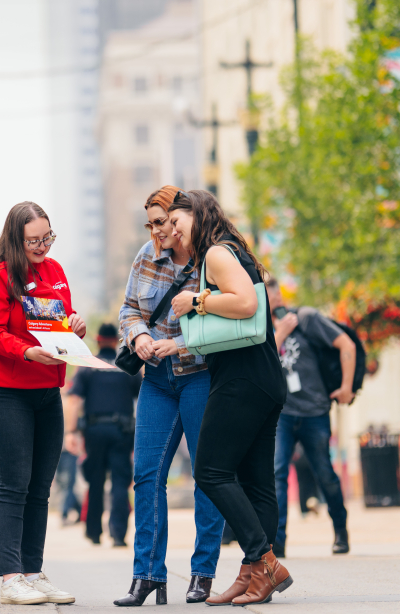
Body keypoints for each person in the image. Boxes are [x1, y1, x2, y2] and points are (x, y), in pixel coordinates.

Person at [168, 190, 292, 606]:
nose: (172, 230)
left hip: (241, 380)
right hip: (262, 379)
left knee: (211, 471)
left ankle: (265, 561)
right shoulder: (231, 249)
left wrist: (195, 300)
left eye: (177, 222)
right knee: (257, 481)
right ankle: (252, 575)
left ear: (197, 215)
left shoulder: (218, 254)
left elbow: (244, 303)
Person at [114, 185, 225, 607]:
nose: (158, 231)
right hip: (157, 381)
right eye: (152, 224)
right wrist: (139, 335)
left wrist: (179, 345)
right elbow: (129, 309)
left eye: (163, 222)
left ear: (184, 216)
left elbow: (226, 324)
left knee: (207, 476)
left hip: (200, 377)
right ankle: (147, 576)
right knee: (146, 475)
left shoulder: (212, 259)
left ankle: (203, 573)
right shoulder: (146, 255)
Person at [0, 201, 84, 605]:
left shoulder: (54, 271)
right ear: (15, 239)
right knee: (12, 484)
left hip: (46, 390)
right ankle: (9, 576)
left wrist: (75, 325)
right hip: (4, 390)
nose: (41, 247)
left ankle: (33, 572)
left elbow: (61, 320)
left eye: (47, 238)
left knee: (40, 488)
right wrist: (27, 352)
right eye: (33, 240)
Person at [267, 276, 355, 557]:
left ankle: (340, 531)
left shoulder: (305, 318)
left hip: (315, 410)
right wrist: (279, 334)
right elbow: (259, 365)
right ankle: (277, 541)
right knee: (277, 473)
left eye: (275, 295)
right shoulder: (259, 330)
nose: (274, 300)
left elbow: (347, 345)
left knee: (325, 473)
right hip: (281, 414)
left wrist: (346, 388)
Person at [64, 323, 140, 549]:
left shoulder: (87, 367)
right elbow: (144, 396)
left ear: (97, 341)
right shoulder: (126, 366)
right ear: (116, 341)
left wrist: (71, 432)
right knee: (120, 481)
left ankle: (94, 532)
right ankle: (118, 535)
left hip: (94, 431)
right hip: (122, 431)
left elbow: (74, 400)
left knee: (95, 481)